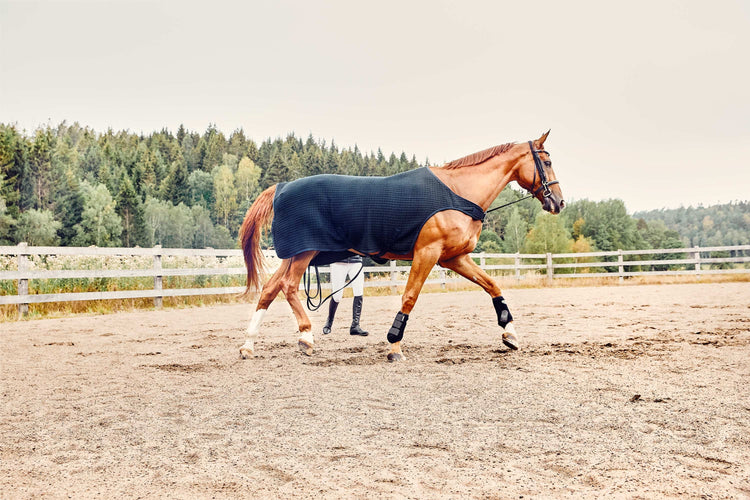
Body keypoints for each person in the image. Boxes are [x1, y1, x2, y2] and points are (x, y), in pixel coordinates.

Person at [322, 255, 368, 336]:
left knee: (359, 292)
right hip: (338, 261)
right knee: (337, 296)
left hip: (356, 261)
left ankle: (355, 325)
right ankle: (329, 322)